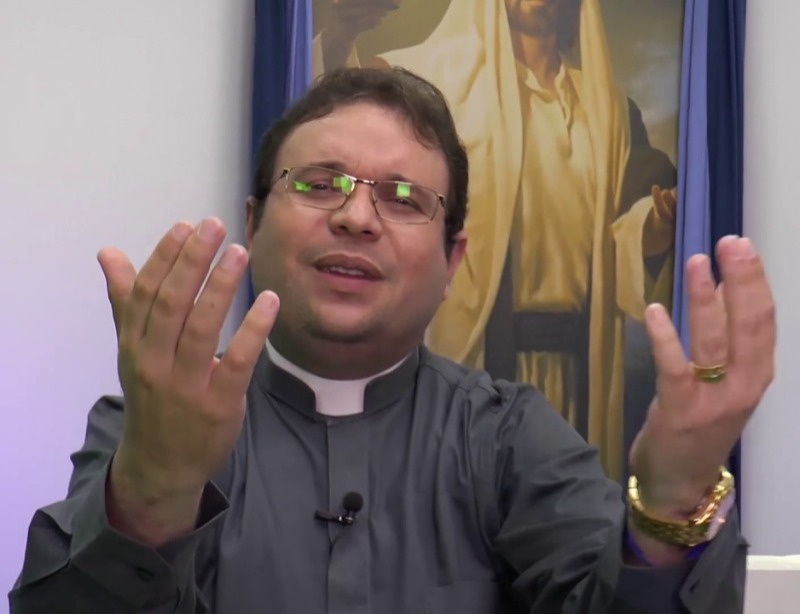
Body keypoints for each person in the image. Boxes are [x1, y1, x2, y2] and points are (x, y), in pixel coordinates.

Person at [10, 66, 773, 613]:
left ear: (452, 260)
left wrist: (673, 501)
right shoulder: (152, 424)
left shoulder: (506, 437)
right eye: (319, 184)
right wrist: (153, 490)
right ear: (253, 222)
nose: (356, 218)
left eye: (404, 198)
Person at [317, 0, 679, 480]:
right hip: (470, 356)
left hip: (575, 376)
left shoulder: (608, 110)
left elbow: (627, 226)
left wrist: (653, 226)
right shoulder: (432, 83)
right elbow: (336, 131)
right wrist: (340, 37)